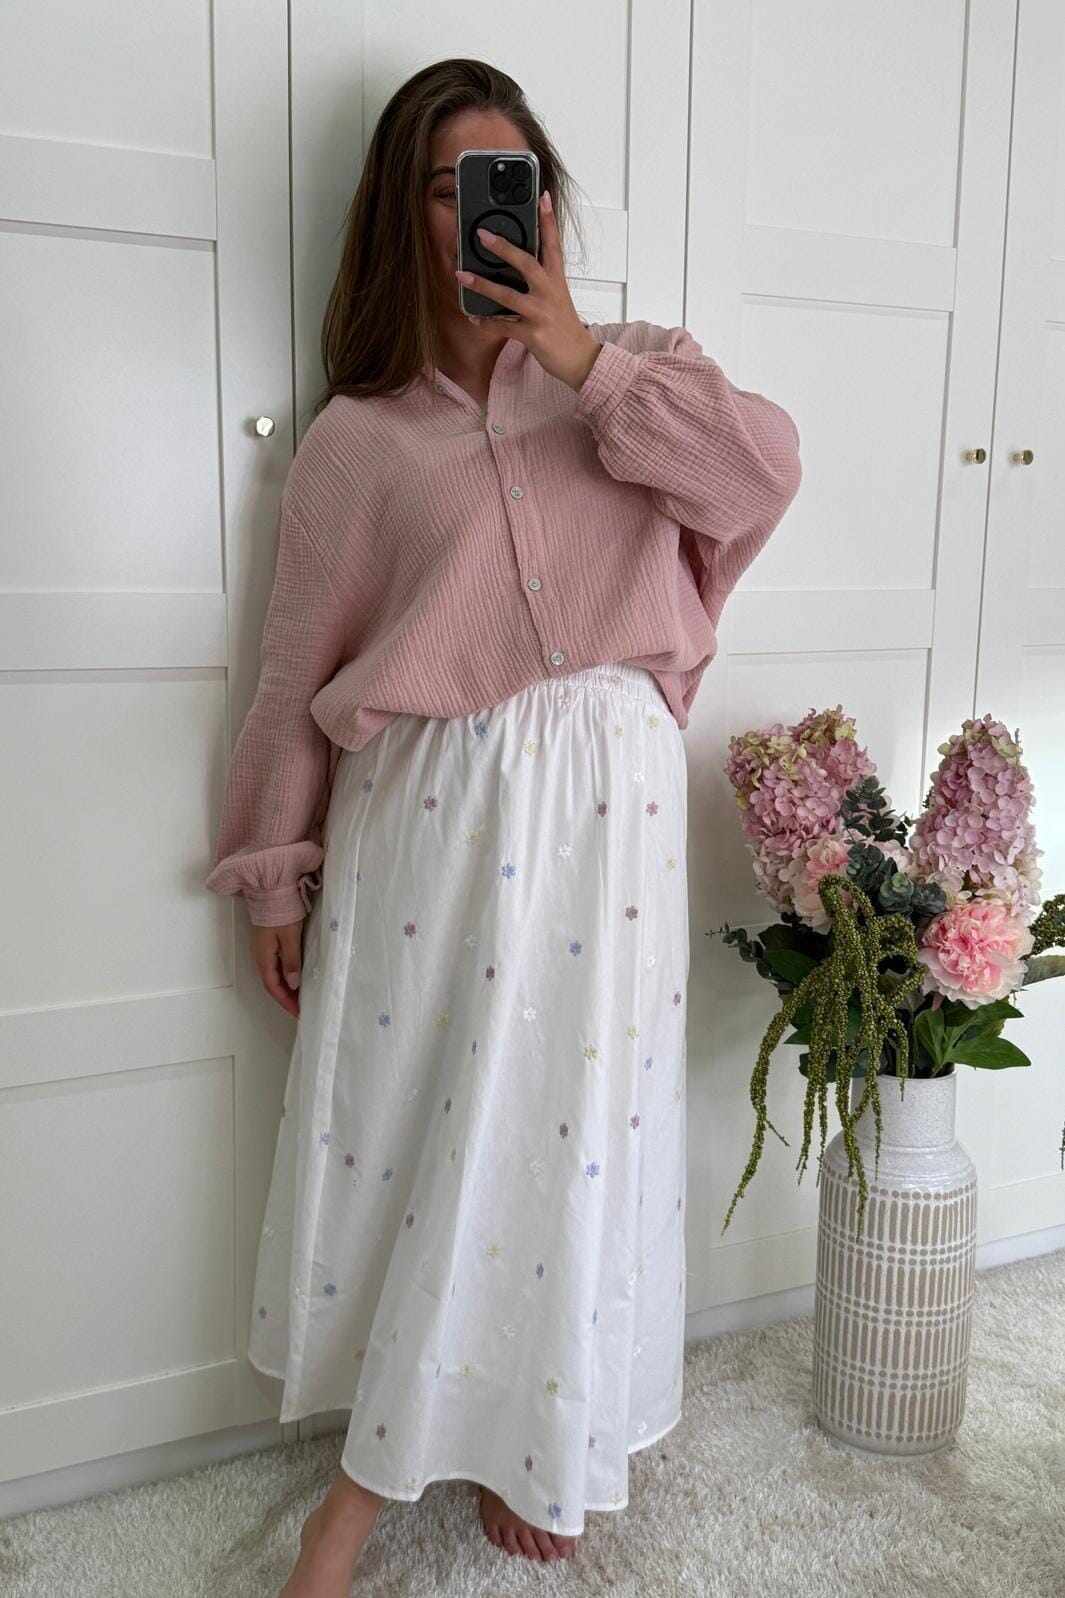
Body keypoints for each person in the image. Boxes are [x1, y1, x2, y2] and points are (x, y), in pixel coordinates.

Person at [205, 56, 801, 1598]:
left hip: (607, 820)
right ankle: (364, 1488)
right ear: (404, 218)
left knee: (578, 1129)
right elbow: (292, 672)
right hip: (437, 822)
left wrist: (582, 361)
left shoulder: (644, 373)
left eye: (515, 178)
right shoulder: (355, 441)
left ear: (544, 199)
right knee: (440, 1127)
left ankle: (546, 1429)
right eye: (453, 185)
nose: (493, 208)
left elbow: (760, 477)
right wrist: (274, 872)